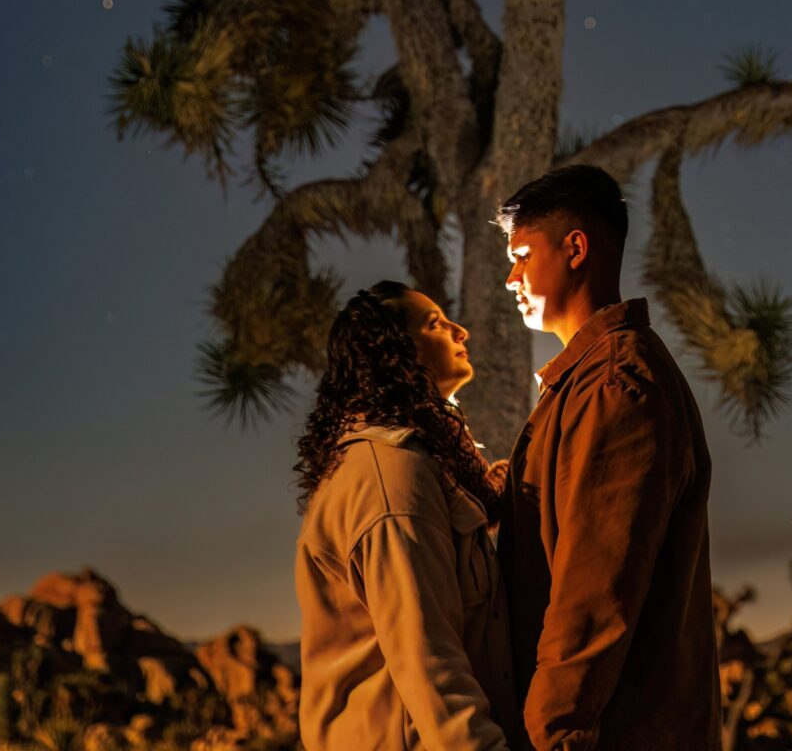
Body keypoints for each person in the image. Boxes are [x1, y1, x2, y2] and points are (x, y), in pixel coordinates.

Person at [496, 165, 720, 751]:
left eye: (522, 254)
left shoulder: (616, 386)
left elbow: (595, 596)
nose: (510, 276)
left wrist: (551, 731)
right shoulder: (588, 384)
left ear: (575, 248)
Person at [294, 281, 517, 751]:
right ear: (396, 352)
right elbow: (431, 668)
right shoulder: (391, 479)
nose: (462, 331)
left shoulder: (415, 463)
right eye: (436, 323)